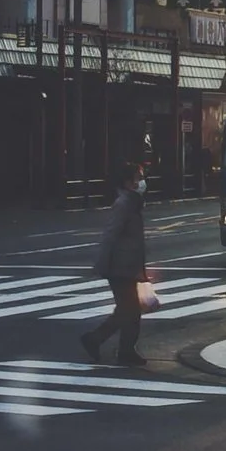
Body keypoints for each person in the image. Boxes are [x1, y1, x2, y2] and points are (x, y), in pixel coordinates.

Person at [89, 157, 150, 366]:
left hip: (127, 266)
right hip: (119, 267)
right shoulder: (124, 204)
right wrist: (103, 264)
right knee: (129, 310)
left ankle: (116, 347)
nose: (142, 182)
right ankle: (113, 347)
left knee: (127, 310)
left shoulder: (132, 203)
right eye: (138, 178)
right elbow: (110, 234)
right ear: (127, 182)